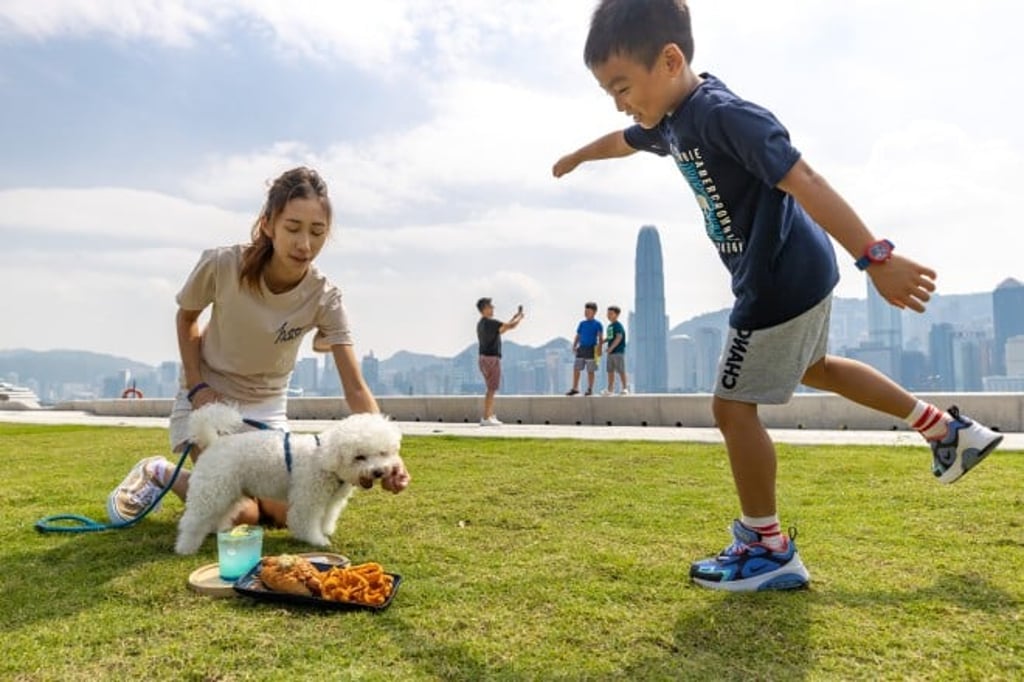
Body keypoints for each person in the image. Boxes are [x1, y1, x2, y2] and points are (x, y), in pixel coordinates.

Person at [552, 0, 1003, 591]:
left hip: (777, 279)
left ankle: (768, 548)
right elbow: (624, 139)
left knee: (731, 407)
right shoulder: (669, 122)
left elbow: (804, 178)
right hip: (798, 270)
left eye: (622, 86)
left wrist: (876, 257)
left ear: (669, 60)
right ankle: (945, 430)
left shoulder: (721, 114)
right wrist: (579, 155)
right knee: (814, 367)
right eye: (609, 92)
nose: (619, 101)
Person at [107, 167, 411, 529]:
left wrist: (391, 457)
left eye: (317, 232)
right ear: (268, 224)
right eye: (293, 227)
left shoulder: (326, 296)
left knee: (286, 514)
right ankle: (157, 472)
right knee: (242, 513)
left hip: (267, 405)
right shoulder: (222, 264)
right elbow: (186, 319)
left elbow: (355, 387)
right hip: (211, 397)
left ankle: (197, 481)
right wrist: (197, 387)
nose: (305, 244)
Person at [476, 297, 525, 426]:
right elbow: (511, 326)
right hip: (491, 359)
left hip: (483, 359)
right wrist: (519, 318)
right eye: (491, 306)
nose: (493, 308)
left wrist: (514, 317)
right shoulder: (490, 322)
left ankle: (490, 416)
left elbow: (503, 330)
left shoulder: (482, 324)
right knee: (491, 389)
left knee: (490, 388)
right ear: (485, 309)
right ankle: (486, 418)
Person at [566, 302, 603, 396]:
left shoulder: (598, 324)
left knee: (590, 370)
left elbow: (600, 337)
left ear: (594, 312)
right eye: (585, 311)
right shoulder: (582, 324)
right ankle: (575, 388)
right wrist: (574, 345)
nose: (586, 312)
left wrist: (599, 349)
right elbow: (578, 335)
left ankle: (590, 389)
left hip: (591, 349)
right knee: (576, 368)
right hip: (581, 348)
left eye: (588, 311)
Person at [601, 305, 629, 395]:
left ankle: (625, 388)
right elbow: (610, 338)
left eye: (611, 314)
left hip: (618, 352)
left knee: (621, 370)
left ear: (617, 315)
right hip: (610, 353)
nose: (608, 315)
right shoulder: (610, 326)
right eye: (608, 313)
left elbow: (619, 337)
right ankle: (610, 389)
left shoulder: (618, 325)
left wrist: (611, 348)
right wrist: (602, 342)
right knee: (610, 371)